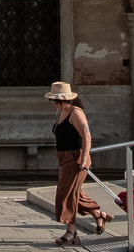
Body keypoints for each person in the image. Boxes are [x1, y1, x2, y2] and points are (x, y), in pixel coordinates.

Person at [48, 82, 111, 246]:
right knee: (74, 192)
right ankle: (99, 214)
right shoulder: (62, 112)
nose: (53, 103)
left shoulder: (76, 113)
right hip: (64, 157)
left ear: (63, 100)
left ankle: (71, 233)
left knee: (66, 193)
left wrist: (83, 159)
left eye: (54, 100)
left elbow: (87, 136)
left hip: (76, 157)